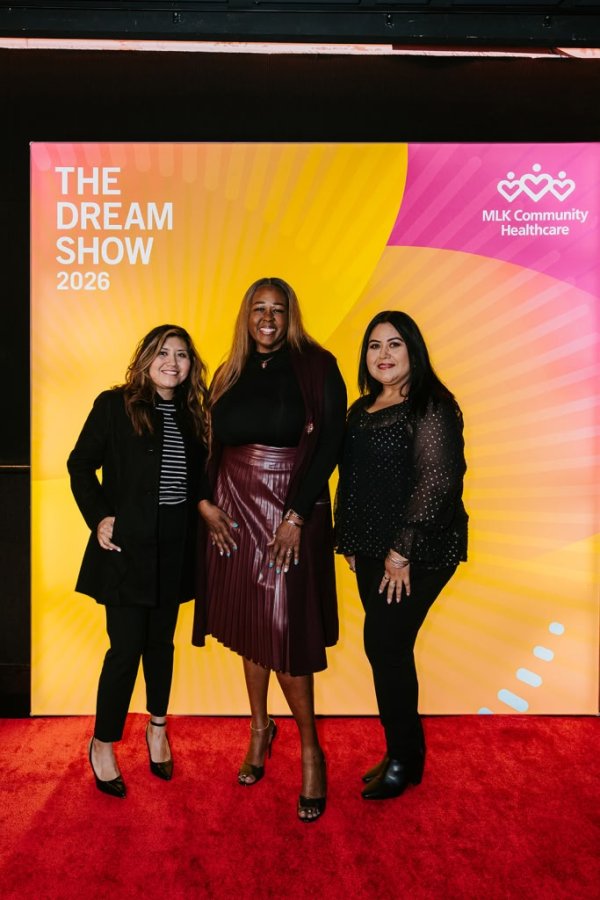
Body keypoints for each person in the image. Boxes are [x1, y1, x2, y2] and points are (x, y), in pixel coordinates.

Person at [192, 277, 346, 822]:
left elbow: (329, 443)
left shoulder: (317, 365)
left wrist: (297, 517)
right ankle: (260, 729)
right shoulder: (227, 371)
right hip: (232, 510)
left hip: (287, 511)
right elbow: (207, 444)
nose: (268, 318)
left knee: (284, 631)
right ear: (246, 315)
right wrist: (204, 505)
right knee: (249, 626)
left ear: (291, 315)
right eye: (259, 309)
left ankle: (310, 750)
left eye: (278, 309)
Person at [68, 324, 208, 798]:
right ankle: (104, 741)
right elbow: (79, 464)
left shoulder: (195, 414)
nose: (172, 362)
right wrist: (99, 517)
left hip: (175, 549)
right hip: (126, 550)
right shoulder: (114, 405)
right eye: (163, 352)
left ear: (191, 365)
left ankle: (157, 728)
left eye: (182, 355)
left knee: (161, 646)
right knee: (125, 649)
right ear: (145, 358)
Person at [335, 310, 468, 800]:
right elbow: (350, 479)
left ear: (413, 350)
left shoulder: (431, 406)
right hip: (371, 548)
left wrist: (400, 552)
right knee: (387, 649)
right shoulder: (360, 409)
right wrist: (349, 541)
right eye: (374, 346)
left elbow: (438, 482)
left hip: (420, 550)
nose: (383, 355)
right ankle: (403, 753)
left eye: (394, 345)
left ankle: (404, 758)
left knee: (386, 647)